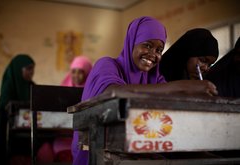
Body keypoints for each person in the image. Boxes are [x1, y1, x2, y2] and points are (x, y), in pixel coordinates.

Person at [72, 16, 218, 165]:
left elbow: (173, 98)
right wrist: (184, 86)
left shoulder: (154, 78)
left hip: (134, 148)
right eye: (147, 45)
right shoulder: (107, 64)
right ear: (132, 42)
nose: (153, 54)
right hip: (97, 152)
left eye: (159, 50)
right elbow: (111, 92)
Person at [37, 55, 92, 163]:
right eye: (73, 71)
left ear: (88, 72)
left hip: (84, 138)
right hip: (62, 137)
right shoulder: (62, 89)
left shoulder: (92, 91)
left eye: (80, 71)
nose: (76, 75)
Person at [0, 54, 35, 164]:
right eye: (28, 69)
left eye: (33, 69)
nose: (32, 72)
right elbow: (4, 108)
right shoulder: (8, 87)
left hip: (28, 130)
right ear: (18, 69)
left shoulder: (32, 86)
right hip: (9, 132)